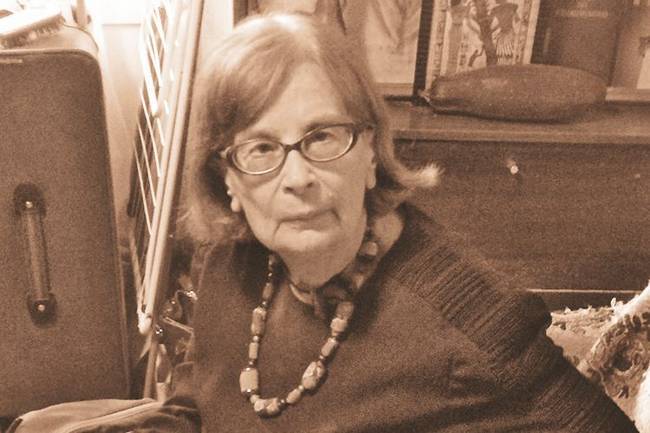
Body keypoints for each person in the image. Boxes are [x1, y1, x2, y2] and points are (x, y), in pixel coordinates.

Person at [112, 11, 639, 433]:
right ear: (227, 178)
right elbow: (199, 400)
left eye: (322, 136)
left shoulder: (469, 325)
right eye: (261, 148)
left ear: (370, 151)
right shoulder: (231, 264)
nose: (297, 178)